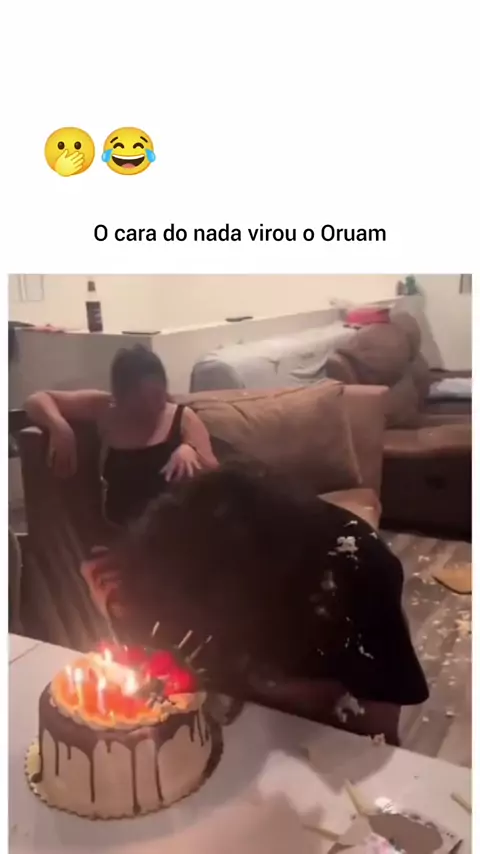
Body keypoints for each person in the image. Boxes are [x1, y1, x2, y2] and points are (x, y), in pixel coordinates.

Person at [82, 465, 429, 745]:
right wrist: (119, 608)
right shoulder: (175, 548)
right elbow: (149, 637)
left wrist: (274, 689)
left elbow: (380, 731)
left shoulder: (360, 571)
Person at [25, 346, 218, 527]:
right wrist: (60, 427)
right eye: (141, 400)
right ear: (120, 396)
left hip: (171, 532)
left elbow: (217, 481)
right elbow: (36, 400)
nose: (152, 406)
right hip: (118, 531)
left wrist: (191, 450)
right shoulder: (106, 408)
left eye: (157, 395)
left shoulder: (182, 417)